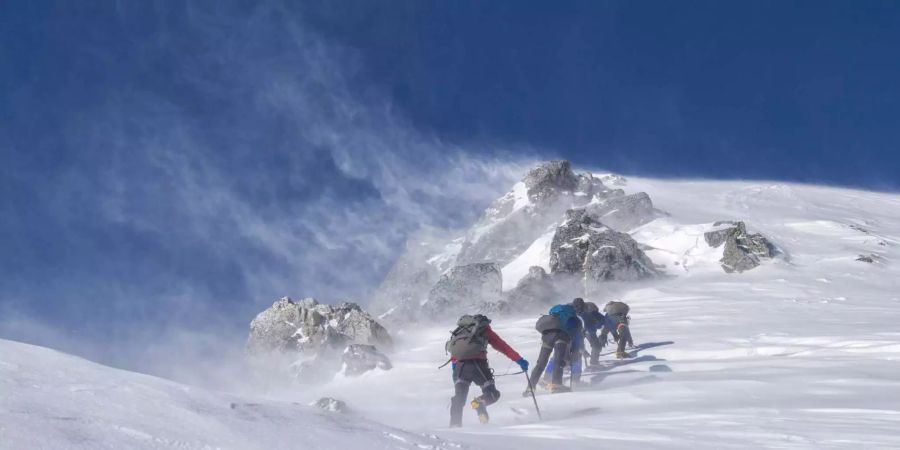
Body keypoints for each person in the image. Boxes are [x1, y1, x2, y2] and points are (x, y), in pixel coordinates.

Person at [445, 314, 528, 427]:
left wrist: (455, 372)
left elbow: (455, 354)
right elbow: (503, 347)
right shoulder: (484, 329)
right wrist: (519, 360)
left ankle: (455, 426)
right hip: (478, 366)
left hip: (459, 368)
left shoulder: (460, 332)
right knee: (492, 393)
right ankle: (480, 403)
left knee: (459, 398)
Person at [525, 298, 585, 395]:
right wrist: (575, 352)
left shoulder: (559, 311)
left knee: (540, 363)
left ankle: (530, 388)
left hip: (547, 335)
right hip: (561, 336)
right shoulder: (576, 321)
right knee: (558, 360)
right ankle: (556, 385)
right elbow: (576, 340)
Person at [580, 300, 606, 366]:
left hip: (576, 331)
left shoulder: (573, 311)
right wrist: (598, 326)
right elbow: (603, 320)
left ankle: (566, 365)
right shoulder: (592, 311)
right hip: (589, 331)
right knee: (597, 346)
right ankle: (594, 363)